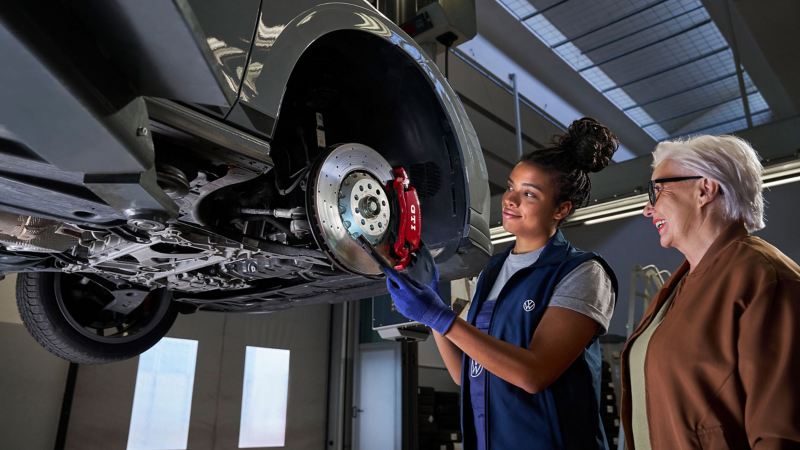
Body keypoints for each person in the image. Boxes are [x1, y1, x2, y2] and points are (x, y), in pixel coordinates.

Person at [384, 117, 620, 450]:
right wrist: (431, 311)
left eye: (529, 194)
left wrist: (441, 317)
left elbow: (533, 375)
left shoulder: (581, 272)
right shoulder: (492, 271)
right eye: (511, 186)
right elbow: (467, 375)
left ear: (561, 209)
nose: (510, 199)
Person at [620, 135, 800, 449]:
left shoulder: (765, 277)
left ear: (704, 189)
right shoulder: (681, 285)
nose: (648, 209)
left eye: (657, 190)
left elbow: (781, 433)